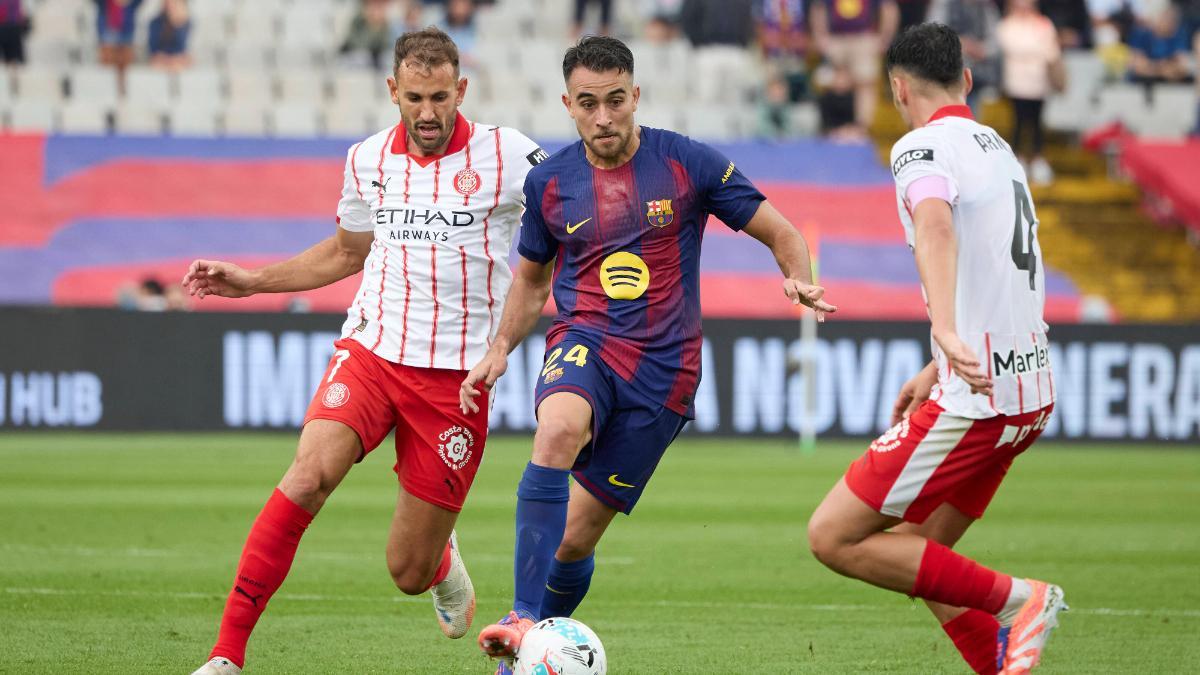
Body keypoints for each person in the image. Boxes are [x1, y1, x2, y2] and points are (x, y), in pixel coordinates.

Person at [459, 35, 835, 673]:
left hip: (664, 374)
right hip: (584, 341)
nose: (603, 117)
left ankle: (539, 638)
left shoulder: (686, 162)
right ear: (568, 106)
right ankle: (523, 618)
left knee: (574, 541)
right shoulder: (549, 183)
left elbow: (780, 230)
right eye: (587, 104)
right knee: (557, 428)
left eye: (614, 101)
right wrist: (500, 348)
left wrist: (796, 274)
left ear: (634, 96)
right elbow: (530, 280)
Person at [182, 26, 547, 675]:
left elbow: (571, 210)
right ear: (393, 91)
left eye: (440, 96)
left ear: (461, 89)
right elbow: (349, 251)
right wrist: (255, 281)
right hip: (373, 349)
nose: (428, 112)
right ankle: (225, 654)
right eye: (414, 97)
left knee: (405, 571)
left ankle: (436, 560)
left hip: (455, 382)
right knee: (307, 476)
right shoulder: (368, 159)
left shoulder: (510, 156)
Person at [806, 23, 1066, 675]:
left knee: (833, 535)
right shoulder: (1001, 149)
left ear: (897, 88)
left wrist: (946, 335)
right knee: (920, 555)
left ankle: (1021, 600)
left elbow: (935, 225)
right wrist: (937, 359)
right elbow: (1000, 270)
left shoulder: (919, 148)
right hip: (1028, 393)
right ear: (967, 81)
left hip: (975, 402)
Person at [997, 0, 1063, 185]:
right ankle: (1017, 159)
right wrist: (1034, 51)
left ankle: (1037, 159)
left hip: (1039, 83)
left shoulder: (1043, 24)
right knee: (1018, 122)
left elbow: (1051, 51)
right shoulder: (1007, 25)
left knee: (1037, 124)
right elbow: (1010, 45)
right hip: (1016, 83)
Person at [811, 0, 900, 133]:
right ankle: (830, 128)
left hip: (863, 38)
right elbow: (819, 7)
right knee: (832, 83)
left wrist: (885, 37)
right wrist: (820, 36)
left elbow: (888, 7)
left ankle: (861, 129)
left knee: (865, 84)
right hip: (835, 39)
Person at [147, 0, 192, 72]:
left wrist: (179, 24)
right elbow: (153, 50)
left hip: (179, 61)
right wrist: (168, 59)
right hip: (160, 61)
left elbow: (183, 48)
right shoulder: (155, 23)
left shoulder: (187, 23)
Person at [0, 0, 29, 66]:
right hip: (14, 26)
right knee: (13, 53)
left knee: (8, 53)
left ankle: (12, 70)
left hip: (5, 27)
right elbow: (21, 12)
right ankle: (13, 70)